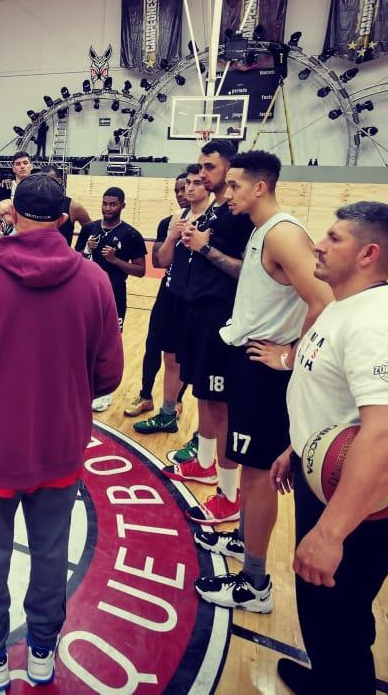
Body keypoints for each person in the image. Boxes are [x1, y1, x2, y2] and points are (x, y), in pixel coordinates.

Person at [0, 174, 124, 691]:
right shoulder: (95, 281)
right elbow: (109, 374)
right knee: (50, 553)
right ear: (64, 218)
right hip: (60, 447)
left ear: (11, 213)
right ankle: (42, 649)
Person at [270, 202, 388, 694]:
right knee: (322, 613)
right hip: (325, 480)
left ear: (369, 253)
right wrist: (297, 449)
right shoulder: (345, 305)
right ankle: (328, 679)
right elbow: (332, 404)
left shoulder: (379, 326)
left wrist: (333, 532)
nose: (318, 244)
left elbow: (385, 437)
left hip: (358, 504)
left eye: (334, 238)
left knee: (339, 621)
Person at [192, 151, 333, 614]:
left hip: (263, 369)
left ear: (259, 187)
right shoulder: (261, 231)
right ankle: (242, 540)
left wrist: (290, 355)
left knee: (257, 479)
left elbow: (325, 299)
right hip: (247, 358)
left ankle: (255, 585)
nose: (225, 193)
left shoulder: (284, 233)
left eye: (233, 186)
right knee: (248, 470)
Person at [164, 139, 254, 523]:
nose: (201, 174)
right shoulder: (211, 212)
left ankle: (230, 494)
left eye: (210, 168)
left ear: (230, 170)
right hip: (194, 314)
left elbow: (245, 271)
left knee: (222, 404)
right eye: (200, 166)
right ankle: (204, 463)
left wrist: (203, 248)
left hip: (220, 318)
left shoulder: (238, 216)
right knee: (203, 394)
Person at [133, 166, 212, 443]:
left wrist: (201, 244)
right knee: (169, 357)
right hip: (172, 295)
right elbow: (162, 260)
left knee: (197, 365)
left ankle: (202, 436)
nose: (189, 189)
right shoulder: (178, 216)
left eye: (195, 183)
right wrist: (171, 237)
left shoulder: (215, 218)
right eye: (186, 183)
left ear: (208, 187)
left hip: (198, 300)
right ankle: (167, 413)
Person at [74, 186, 147, 412]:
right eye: (105, 203)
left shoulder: (131, 234)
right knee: (83, 342)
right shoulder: (90, 229)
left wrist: (115, 260)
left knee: (108, 345)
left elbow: (140, 270)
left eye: (113, 204)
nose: (108, 208)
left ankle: (105, 393)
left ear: (122, 206)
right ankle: (83, 387)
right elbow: (76, 259)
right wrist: (87, 248)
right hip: (86, 295)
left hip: (114, 296)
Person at [127, 172, 190, 419]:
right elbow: (157, 260)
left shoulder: (206, 222)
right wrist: (173, 237)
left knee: (179, 354)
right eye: (177, 190)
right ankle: (145, 396)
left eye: (185, 188)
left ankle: (177, 400)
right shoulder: (167, 223)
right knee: (152, 345)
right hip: (167, 291)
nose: (181, 194)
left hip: (190, 297)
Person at [40, 165, 92, 246]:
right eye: (44, 181)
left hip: (62, 257)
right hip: (38, 257)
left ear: (59, 181)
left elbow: (89, 228)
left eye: (51, 180)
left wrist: (80, 249)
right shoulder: (34, 204)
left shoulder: (73, 206)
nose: (47, 184)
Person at [0, 151, 33, 235]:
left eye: (25, 163)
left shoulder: (38, 187)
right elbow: (8, 219)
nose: (22, 166)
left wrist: (11, 209)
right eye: (18, 164)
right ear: (13, 168)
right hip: (9, 236)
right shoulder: (5, 187)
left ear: (31, 166)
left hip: (31, 236)